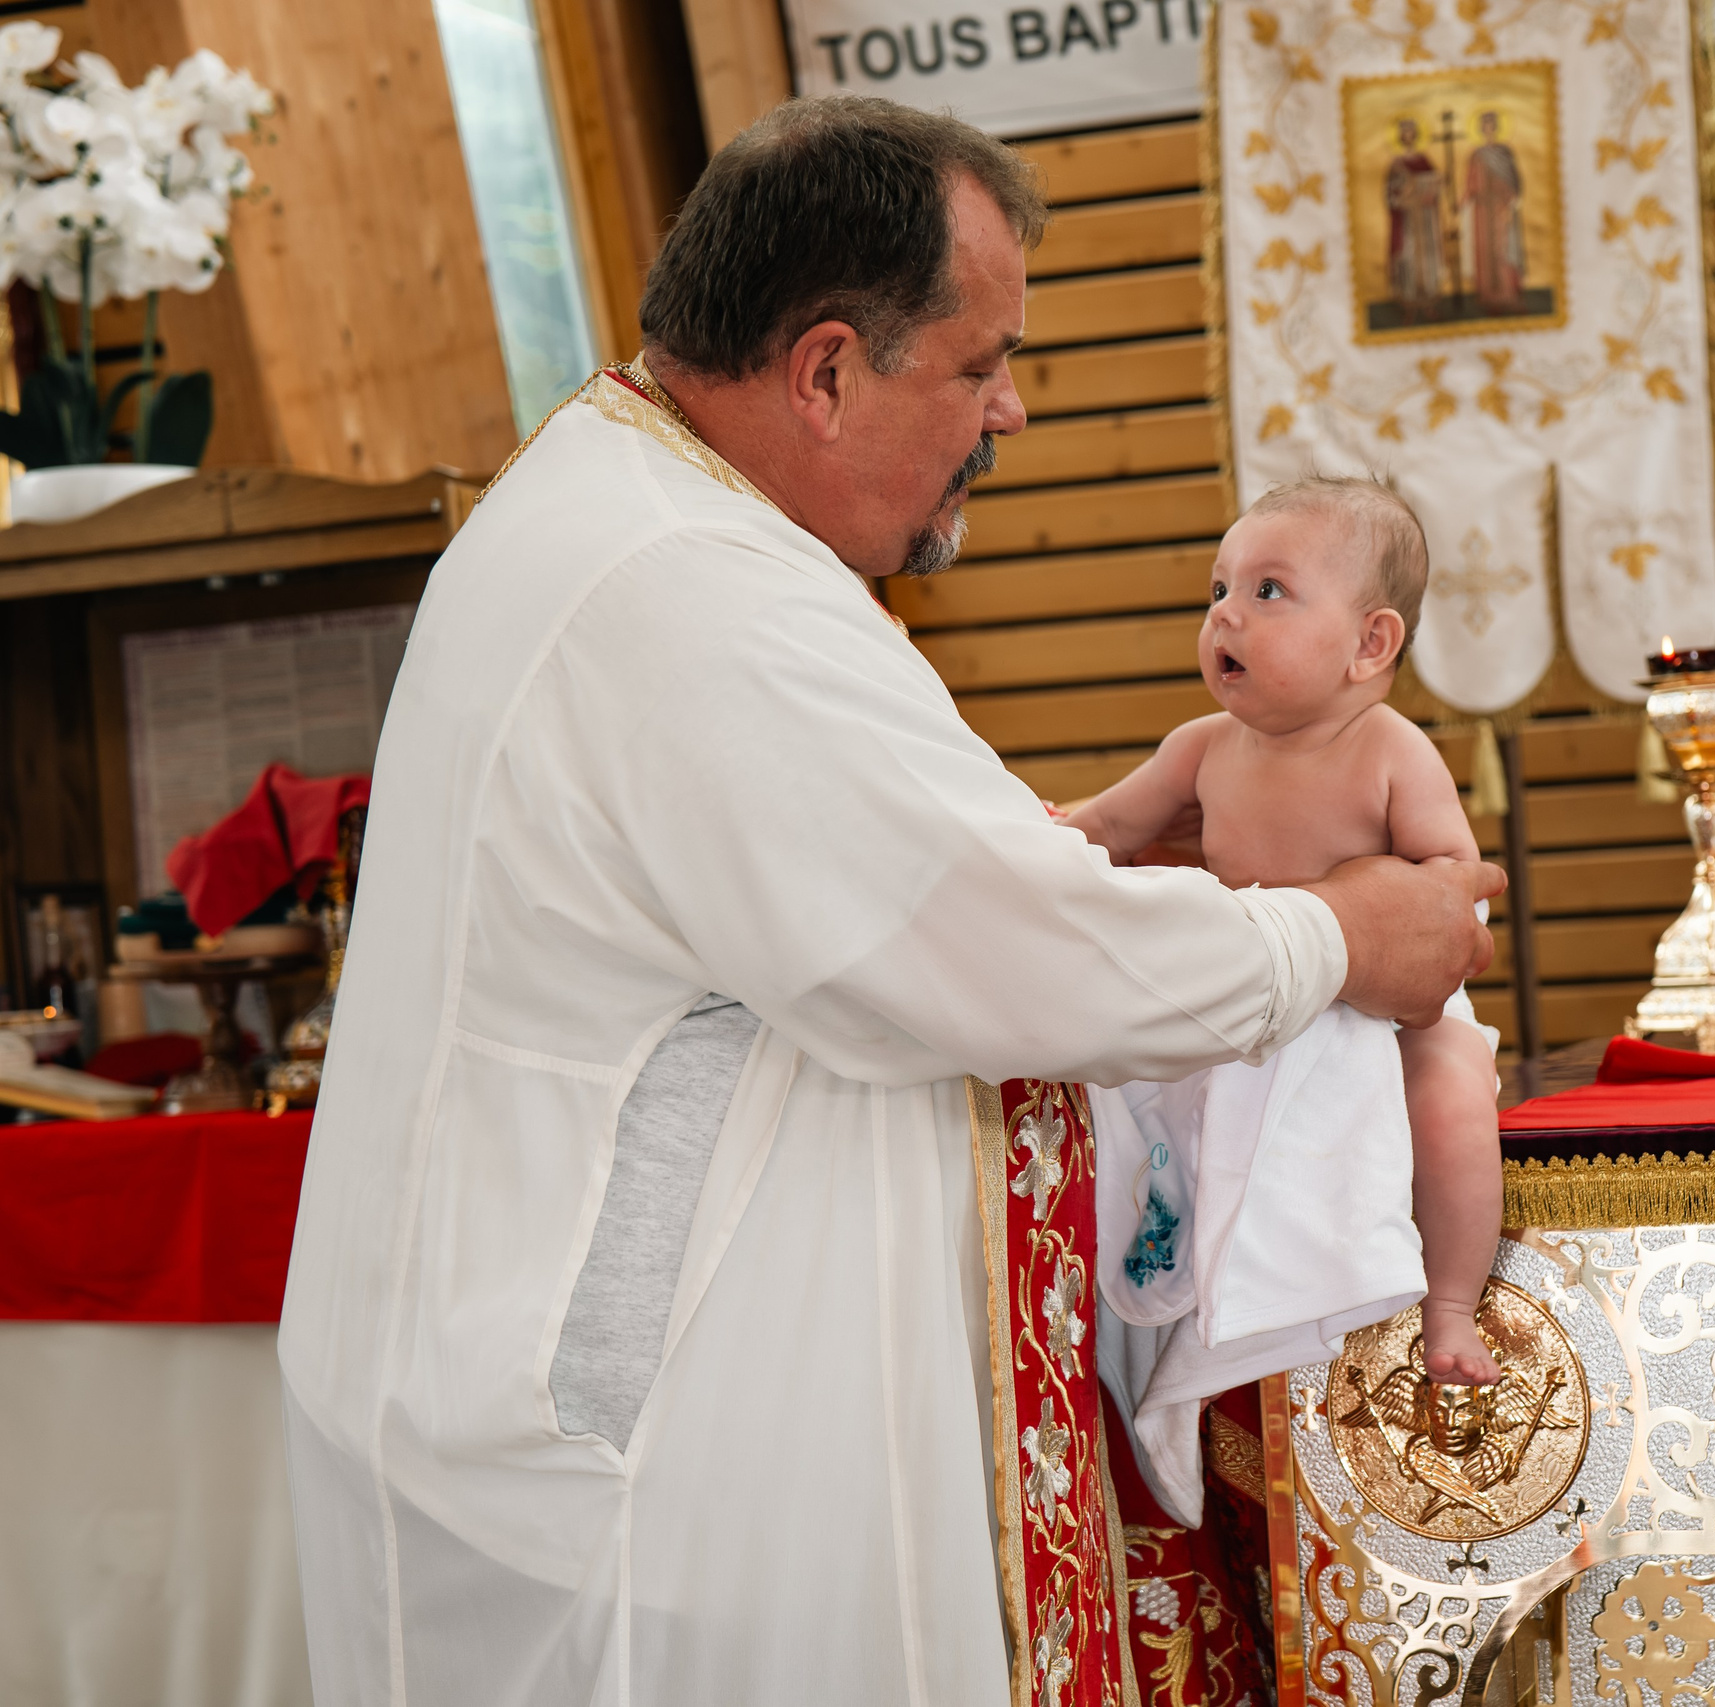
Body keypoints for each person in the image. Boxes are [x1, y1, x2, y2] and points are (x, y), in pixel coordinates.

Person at [275, 95, 1499, 1706]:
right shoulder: (686, 587)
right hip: (659, 1500)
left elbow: (964, 878)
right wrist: (1350, 932)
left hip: (649, 1455)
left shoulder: (647, 516)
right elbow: (1002, 947)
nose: (1013, 408)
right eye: (982, 362)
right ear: (831, 369)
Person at [1062, 477, 1505, 1387]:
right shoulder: (1201, 747)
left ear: (1369, 642)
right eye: (1218, 589)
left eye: (1268, 591)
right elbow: (1105, 827)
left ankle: (1452, 1302)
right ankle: (1189, 1267)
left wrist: (1381, 911)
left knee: (1454, 1093)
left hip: (1388, 1007)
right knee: (1141, 1081)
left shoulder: (1389, 749)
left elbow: (1452, 895)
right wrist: (1033, 836)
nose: (1227, 615)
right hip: (1258, 994)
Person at [1385, 118, 1446, 320]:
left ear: (1416, 136)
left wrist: (1434, 185)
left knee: (1427, 259)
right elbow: (1391, 195)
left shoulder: (1424, 161)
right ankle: (1409, 305)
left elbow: (1436, 187)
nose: (1408, 136)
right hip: (1407, 221)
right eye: (1405, 133)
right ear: (1401, 137)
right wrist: (1402, 196)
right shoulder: (1396, 164)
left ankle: (1429, 304)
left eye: (1412, 132)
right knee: (1408, 258)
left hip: (1425, 220)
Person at [1466, 110, 1525, 314]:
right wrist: (1462, 203)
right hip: (1483, 211)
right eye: (1485, 125)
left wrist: (1512, 198)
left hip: (1501, 206)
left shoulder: (1505, 152)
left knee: (1503, 248)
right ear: (1481, 129)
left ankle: (1509, 295)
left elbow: (1514, 178)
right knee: (1486, 250)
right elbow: (1470, 186)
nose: (1489, 128)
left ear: (1496, 126)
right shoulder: (1477, 155)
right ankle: (1487, 296)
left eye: (1492, 124)